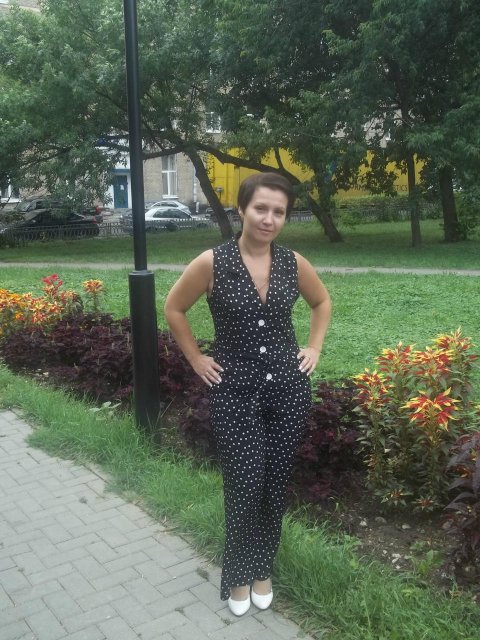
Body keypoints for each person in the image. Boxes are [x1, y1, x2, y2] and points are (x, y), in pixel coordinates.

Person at [164, 172, 331, 616]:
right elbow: (174, 308)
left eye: (279, 212)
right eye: (260, 208)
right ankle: (238, 575)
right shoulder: (212, 263)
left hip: (287, 389)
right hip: (234, 392)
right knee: (244, 484)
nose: (269, 219)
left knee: (273, 484)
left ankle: (263, 571)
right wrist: (196, 358)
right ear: (241, 209)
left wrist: (314, 347)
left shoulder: (293, 263)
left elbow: (322, 302)